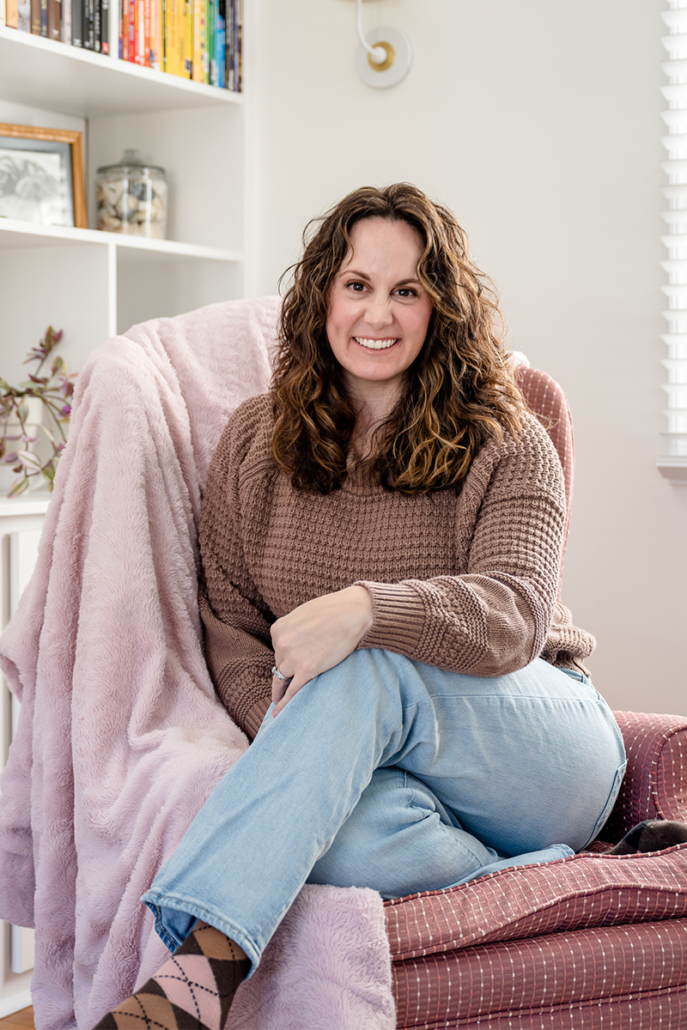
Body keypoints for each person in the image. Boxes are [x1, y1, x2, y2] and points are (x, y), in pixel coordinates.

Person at [95, 184, 631, 1030]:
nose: (377, 313)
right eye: (356, 284)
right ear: (320, 297)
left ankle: (192, 982)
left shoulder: (507, 434)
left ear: (440, 308)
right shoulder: (253, 443)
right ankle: (534, 872)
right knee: (307, 839)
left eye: (406, 289)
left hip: (535, 748)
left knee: (368, 663)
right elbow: (230, 629)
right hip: (369, 765)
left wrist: (365, 611)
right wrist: (289, 729)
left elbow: (515, 613)